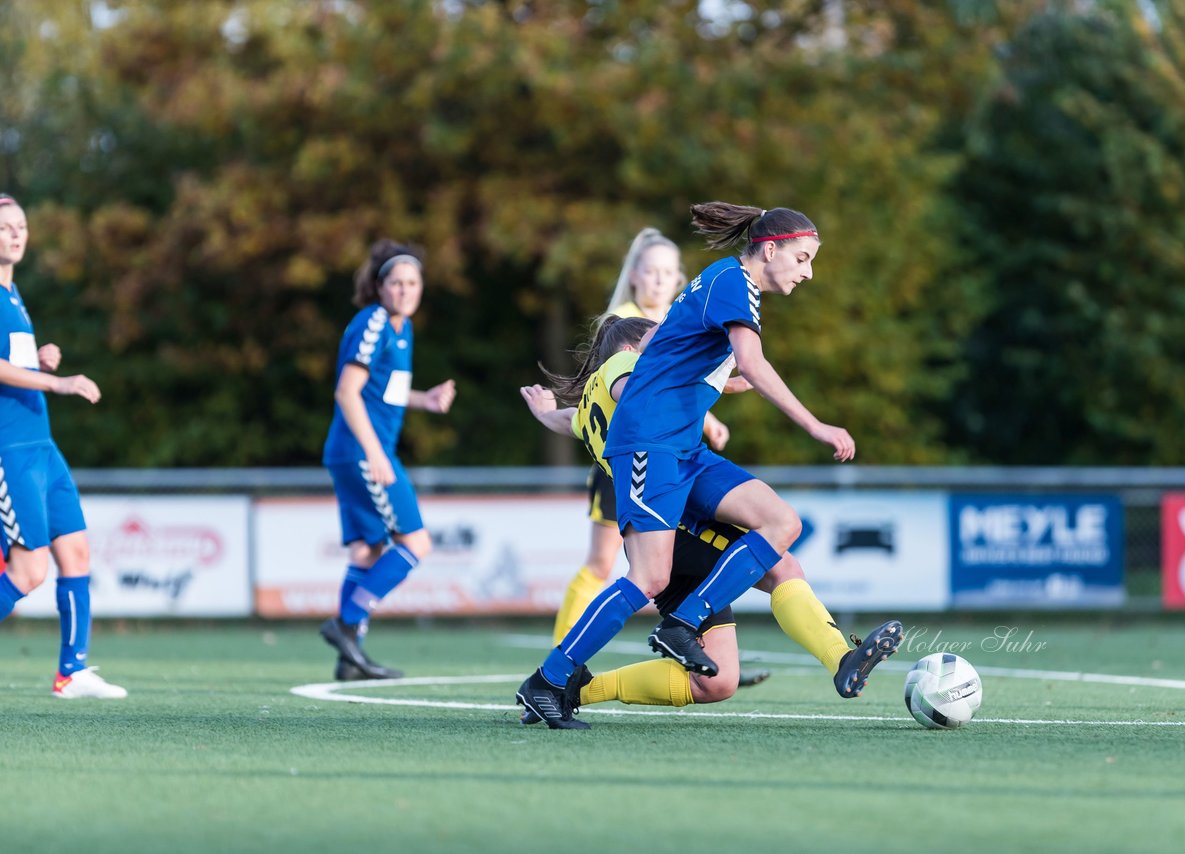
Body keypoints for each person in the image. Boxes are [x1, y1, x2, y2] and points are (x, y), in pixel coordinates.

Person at [517, 204, 902, 728]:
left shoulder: (718, 289)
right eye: (803, 258)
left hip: (684, 451)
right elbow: (746, 363)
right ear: (770, 249)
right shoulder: (723, 289)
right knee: (649, 577)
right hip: (652, 449)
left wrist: (549, 414)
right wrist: (816, 425)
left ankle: (727, 631)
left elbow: (611, 399)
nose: (808, 271)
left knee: (783, 524)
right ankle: (550, 679)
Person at [552, 228, 749, 680]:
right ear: (635, 275)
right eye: (652, 271)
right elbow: (634, 393)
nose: (660, 280)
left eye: (668, 272)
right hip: (632, 455)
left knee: (654, 569)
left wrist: (709, 413)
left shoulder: (672, 321)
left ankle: (701, 645)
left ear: (678, 277)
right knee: (620, 567)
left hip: (663, 452)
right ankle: (563, 658)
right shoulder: (623, 326)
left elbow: (668, 389)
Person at [0, 192, 126, 699]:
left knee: (75, 550)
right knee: (30, 570)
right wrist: (59, 382)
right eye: (5, 226)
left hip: (42, 447)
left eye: (21, 225)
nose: (15, 233)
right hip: (9, 452)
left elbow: (13, 367)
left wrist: (41, 362)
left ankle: (72, 673)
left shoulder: (13, 294)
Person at [319, 239, 456, 681]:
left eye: (412, 282)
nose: (405, 290)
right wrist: (376, 454)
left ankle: (349, 659)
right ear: (379, 288)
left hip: (352, 450)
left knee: (367, 549)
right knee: (416, 543)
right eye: (395, 282)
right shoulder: (375, 321)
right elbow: (346, 391)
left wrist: (425, 400)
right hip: (365, 451)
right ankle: (344, 626)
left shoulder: (400, 328)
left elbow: (385, 391)